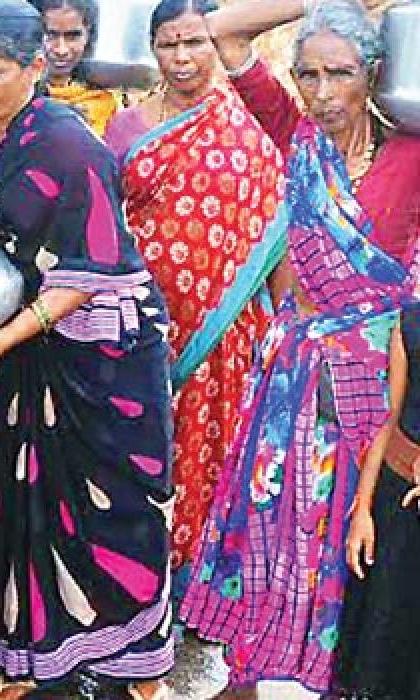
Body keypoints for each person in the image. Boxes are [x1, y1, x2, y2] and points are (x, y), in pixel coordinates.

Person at [0, 2, 175, 698]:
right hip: (32, 349)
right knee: (24, 499)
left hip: (101, 363)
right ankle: (30, 655)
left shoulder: (70, 145)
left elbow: (87, 269)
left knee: (113, 510)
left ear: (35, 68)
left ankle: (138, 665)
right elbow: (15, 237)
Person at [180, 1, 420, 696]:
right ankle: (248, 670)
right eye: (307, 74)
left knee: (350, 520)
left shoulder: (410, 155)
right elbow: (225, 27)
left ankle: (336, 673)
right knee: (269, 513)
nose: (320, 93)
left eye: (339, 74)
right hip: (292, 374)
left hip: (375, 380)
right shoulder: (296, 136)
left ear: (374, 75)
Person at [101, 0, 285, 584]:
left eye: (196, 43)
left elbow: (277, 225)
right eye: (168, 44)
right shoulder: (128, 124)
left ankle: (204, 586)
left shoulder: (245, 111)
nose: (182, 58)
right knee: (144, 453)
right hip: (148, 320)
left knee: (219, 453)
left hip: (229, 326)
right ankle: (141, 583)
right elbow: (108, 222)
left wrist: (280, 323)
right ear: (150, 49)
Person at [335, 301, 420, 700]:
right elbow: (388, 417)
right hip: (395, 500)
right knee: (377, 640)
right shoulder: (411, 320)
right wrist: (363, 509)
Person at [30, 0, 119, 135]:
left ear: (88, 36)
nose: (61, 50)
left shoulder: (104, 101)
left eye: (73, 36)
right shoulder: (13, 95)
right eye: (51, 35)